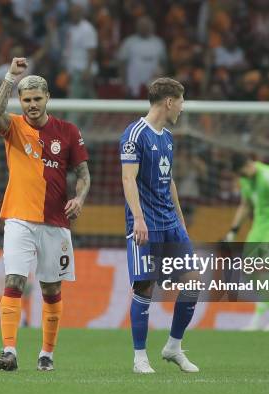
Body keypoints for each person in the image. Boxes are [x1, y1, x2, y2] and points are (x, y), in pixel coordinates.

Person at [0, 57, 90, 371]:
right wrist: (9, 77)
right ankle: (9, 351)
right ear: (20, 101)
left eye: (37, 99)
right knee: (14, 280)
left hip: (56, 223)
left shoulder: (68, 132)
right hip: (18, 218)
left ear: (48, 98)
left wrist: (80, 197)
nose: (32, 105)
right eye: (26, 99)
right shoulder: (15, 127)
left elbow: (84, 174)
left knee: (51, 289)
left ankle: (46, 354)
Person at [120, 77, 199, 374]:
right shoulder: (134, 134)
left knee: (192, 282)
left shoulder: (167, 137)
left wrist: (181, 220)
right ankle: (140, 357)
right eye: (181, 101)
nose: (182, 107)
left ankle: (173, 346)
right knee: (145, 286)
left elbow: (169, 181)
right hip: (146, 224)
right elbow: (128, 178)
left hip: (170, 223)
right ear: (169, 101)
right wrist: (138, 218)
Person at [225, 153, 269, 331]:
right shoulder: (245, 179)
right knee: (248, 268)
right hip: (260, 223)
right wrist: (234, 230)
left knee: (263, 267)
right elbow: (245, 205)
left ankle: (261, 315)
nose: (243, 177)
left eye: (243, 172)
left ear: (249, 164)